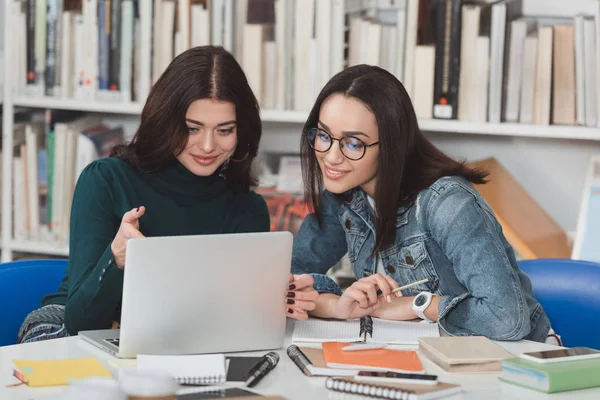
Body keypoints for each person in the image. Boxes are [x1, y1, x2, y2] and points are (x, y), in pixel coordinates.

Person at [18, 46, 317, 344]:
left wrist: (276, 300)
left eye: (224, 130)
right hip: (69, 330)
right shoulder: (106, 180)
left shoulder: (247, 209)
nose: (208, 146)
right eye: (192, 129)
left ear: (241, 133)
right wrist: (117, 257)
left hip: (177, 340)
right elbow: (82, 323)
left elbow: (230, 325)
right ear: (166, 122)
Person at [291, 64, 552, 342]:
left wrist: (418, 305)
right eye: (323, 135)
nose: (331, 157)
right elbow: (291, 278)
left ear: (391, 144)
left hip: (513, 357)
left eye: (353, 143)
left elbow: (507, 318)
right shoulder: (346, 192)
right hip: (419, 354)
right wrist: (337, 306)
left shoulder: (447, 203)